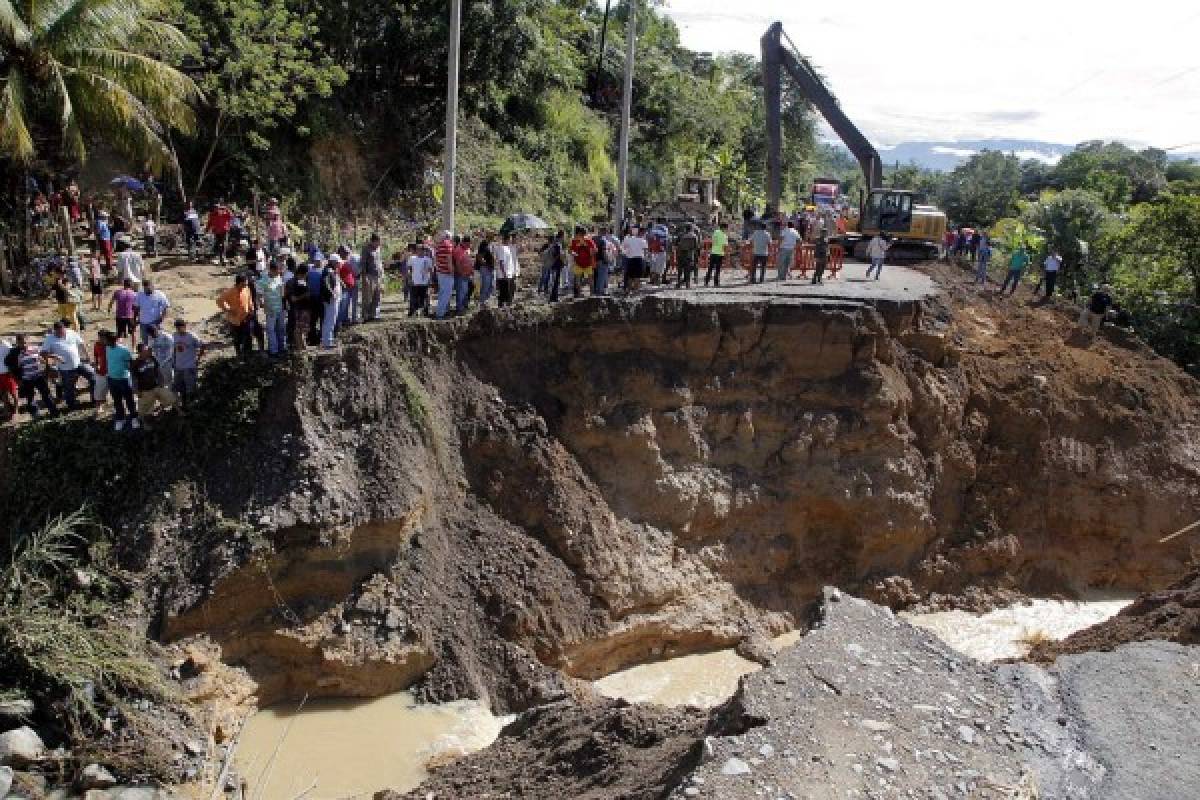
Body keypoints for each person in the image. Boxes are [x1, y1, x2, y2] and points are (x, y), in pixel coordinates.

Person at [40, 319, 95, 411]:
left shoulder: (71, 332)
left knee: (93, 377)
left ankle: (94, 400)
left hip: (78, 364)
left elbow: (81, 344)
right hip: (65, 369)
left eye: (62, 332)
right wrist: (54, 356)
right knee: (69, 388)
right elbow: (43, 353)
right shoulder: (50, 339)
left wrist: (88, 357)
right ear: (55, 331)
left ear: (64, 328)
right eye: (58, 333)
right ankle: (72, 406)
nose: (61, 334)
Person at [5, 334, 57, 420]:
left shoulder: (35, 349)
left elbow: (43, 357)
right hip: (27, 379)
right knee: (30, 398)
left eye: (25, 342)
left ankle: (54, 412)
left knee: (46, 394)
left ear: (28, 341)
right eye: (21, 343)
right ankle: (36, 416)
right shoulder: (15, 353)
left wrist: (47, 367)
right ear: (17, 343)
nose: (24, 345)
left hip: (38, 376)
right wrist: (17, 380)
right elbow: (12, 367)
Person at [103, 331, 139, 430]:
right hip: (112, 379)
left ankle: (134, 417)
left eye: (105, 339)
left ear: (111, 340)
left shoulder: (124, 350)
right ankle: (120, 419)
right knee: (117, 400)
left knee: (129, 400)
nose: (104, 341)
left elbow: (131, 364)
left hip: (124, 380)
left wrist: (133, 379)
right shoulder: (107, 348)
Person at [132, 342, 176, 420]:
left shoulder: (152, 358)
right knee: (146, 410)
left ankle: (163, 412)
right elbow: (134, 378)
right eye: (145, 350)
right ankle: (145, 423)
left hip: (156, 386)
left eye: (148, 350)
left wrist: (161, 381)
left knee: (170, 398)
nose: (148, 351)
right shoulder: (135, 363)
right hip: (145, 390)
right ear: (139, 353)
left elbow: (158, 371)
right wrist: (136, 390)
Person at [217, 274, 255, 359]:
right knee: (237, 338)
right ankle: (239, 354)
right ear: (239, 283)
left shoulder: (246, 289)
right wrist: (228, 309)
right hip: (235, 320)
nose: (245, 285)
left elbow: (249, 299)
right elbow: (219, 301)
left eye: (246, 283)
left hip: (245, 317)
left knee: (248, 336)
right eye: (244, 284)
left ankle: (248, 353)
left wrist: (251, 308)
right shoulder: (230, 292)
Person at [171, 319, 204, 408]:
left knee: (191, 387)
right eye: (177, 328)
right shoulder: (174, 336)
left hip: (189, 367)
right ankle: (184, 405)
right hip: (178, 367)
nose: (179, 330)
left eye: (180, 328)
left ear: (184, 327)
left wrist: (198, 359)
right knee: (181, 388)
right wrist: (173, 361)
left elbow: (202, 346)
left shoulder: (192, 336)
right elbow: (173, 349)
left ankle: (193, 405)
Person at [258, 261, 287, 356]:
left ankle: (282, 347)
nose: (278, 273)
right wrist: (263, 304)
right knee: (271, 330)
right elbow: (260, 296)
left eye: (279, 271)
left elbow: (282, 294)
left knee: (281, 329)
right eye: (277, 271)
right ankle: (273, 350)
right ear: (271, 270)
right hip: (270, 310)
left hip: (280, 308)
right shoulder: (262, 281)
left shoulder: (279, 278)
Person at [284, 265, 310, 350]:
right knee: (297, 330)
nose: (306, 275)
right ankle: (299, 349)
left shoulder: (302, 281)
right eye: (306, 273)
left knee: (302, 330)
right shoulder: (292, 282)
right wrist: (304, 296)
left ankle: (303, 347)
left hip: (303, 309)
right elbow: (293, 299)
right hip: (297, 309)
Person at [360, 234, 385, 321]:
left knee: (377, 296)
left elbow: (380, 262)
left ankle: (374, 315)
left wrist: (382, 275)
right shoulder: (366, 249)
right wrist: (364, 277)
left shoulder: (378, 249)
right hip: (369, 276)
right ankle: (365, 316)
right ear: (373, 241)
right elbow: (363, 263)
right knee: (367, 297)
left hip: (378, 276)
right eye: (378, 242)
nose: (380, 244)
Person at [136, 279, 170, 344]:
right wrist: (136, 318)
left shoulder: (159, 294)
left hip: (155, 322)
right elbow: (136, 307)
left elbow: (165, 307)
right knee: (144, 341)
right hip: (143, 322)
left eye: (149, 288)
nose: (147, 290)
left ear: (152, 286)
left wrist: (161, 318)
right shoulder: (140, 295)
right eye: (145, 289)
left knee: (157, 339)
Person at [108, 278, 139, 345]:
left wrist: (109, 309)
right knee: (133, 333)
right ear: (131, 285)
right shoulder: (134, 294)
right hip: (130, 316)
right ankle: (133, 348)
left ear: (123, 284)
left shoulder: (117, 292)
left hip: (120, 316)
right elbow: (136, 306)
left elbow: (111, 302)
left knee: (120, 334)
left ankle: (120, 347)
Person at [320, 255, 342, 348]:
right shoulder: (327, 271)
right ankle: (327, 342)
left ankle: (328, 340)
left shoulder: (331, 270)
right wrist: (332, 293)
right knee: (329, 320)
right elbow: (326, 283)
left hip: (334, 299)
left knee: (331, 320)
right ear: (332, 262)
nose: (338, 264)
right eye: (337, 262)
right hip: (330, 300)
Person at [568, 228, 596, 299]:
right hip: (578, 263)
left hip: (588, 263)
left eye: (580, 234)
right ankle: (580, 294)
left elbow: (594, 250)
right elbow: (570, 250)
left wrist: (587, 247)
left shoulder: (589, 241)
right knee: (578, 279)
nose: (579, 236)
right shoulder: (574, 241)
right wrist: (575, 254)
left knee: (590, 279)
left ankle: (592, 294)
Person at [407, 243, 433, 316]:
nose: (419, 251)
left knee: (424, 297)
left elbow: (431, 270)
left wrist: (430, 280)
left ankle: (425, 311)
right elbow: (409, 269)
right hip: (415, 281)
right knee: (413, 298)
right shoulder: (412, 258)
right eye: (418, 249)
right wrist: (409, 278)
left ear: (424, 250)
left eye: (421, 249)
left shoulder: (428, 259)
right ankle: (412, 311)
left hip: (424, 282)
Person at [434, 232, 456, 319]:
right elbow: (449, 260)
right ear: (449, 237)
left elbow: (436, 260)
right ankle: (440, 314)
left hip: (440, 272)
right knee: (446, 294)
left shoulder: (439, 246)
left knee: (442, 293)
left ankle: (442, 312)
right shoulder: (448, 245)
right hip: (446, 273)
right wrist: (452, 272)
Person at [621, 226, 648, 294]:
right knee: (637, 277)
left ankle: (628, 290)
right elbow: (645, 251)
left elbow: (622, 248)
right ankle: (635, 291)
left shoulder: (628, 239)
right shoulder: (643, 240)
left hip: (630, 259)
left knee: (630, 276)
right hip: (639, 259)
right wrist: (645, 259)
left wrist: (626, 253)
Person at [147, 324, 175, 389]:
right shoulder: (150, 337)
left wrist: (166, 361)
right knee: (160, 381)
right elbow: (150, 348)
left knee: (169, 380)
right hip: (157, 362)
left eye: (153, 333)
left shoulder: (167, 337)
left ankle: (172, 395)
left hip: (168, 361)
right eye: (150, 334)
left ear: (156, 330)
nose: (152, 335)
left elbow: (173, 350)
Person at [336, 247, 358, 328]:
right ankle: (339, 323)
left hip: (349, 286)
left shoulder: (347, 262)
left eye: (348, 253)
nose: (347, 254)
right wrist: (342, 284)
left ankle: (345, 320)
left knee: (346, 305)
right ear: (341, 253)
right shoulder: (339, 263)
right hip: (344, 287)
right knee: (342, 306)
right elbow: (337, 275)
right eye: (346, 253)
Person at [675, 224, 701, 289]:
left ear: (685, 229)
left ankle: (678, 283)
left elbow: (675, 244)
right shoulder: (694, 236)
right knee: (688, 270)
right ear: (691, 229)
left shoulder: (680, 235)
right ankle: (687, 284)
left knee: (680, 270)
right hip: (690, 255)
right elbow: (696, 246)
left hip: (680, 254)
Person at [453, 235, 475, 312]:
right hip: (461, 275)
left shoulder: (464, 249)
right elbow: (457, 263)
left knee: (466, 290)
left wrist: (471, 270)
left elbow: (468, 261)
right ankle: (460, 308)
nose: (469, 246)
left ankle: (464, 306)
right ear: (465, 243)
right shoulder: (459, 250)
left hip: (466, 275)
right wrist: (461, 273)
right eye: (469, 244)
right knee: (461, 292)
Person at [476, 233, 497, 306]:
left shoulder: (490, 245)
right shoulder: (484, 244)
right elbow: (479, 257)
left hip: (490, 268)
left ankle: (486, 302)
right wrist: (486, 264)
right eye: (492, 237)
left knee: (491, 286)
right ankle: (482, 302)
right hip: (485, 268)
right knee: (486, 286)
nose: (493, 239)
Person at [0, 336, 18, 417]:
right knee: (3, 393)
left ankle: (16, 410)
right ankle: (6, 410)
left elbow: (13, 357)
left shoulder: (6, 344)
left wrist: (13, 370)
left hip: (8, 373)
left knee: (13, 393)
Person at [706, 222, 728, 287]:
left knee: (710, 268)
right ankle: (716, 282)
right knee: (717, 269)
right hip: (720, 254)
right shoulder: (724, 235)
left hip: (713, 252)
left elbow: (712, 241)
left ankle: (706, 281)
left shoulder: (715, 232)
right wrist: (726, 254)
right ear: (724, 228)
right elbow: (724, 246)